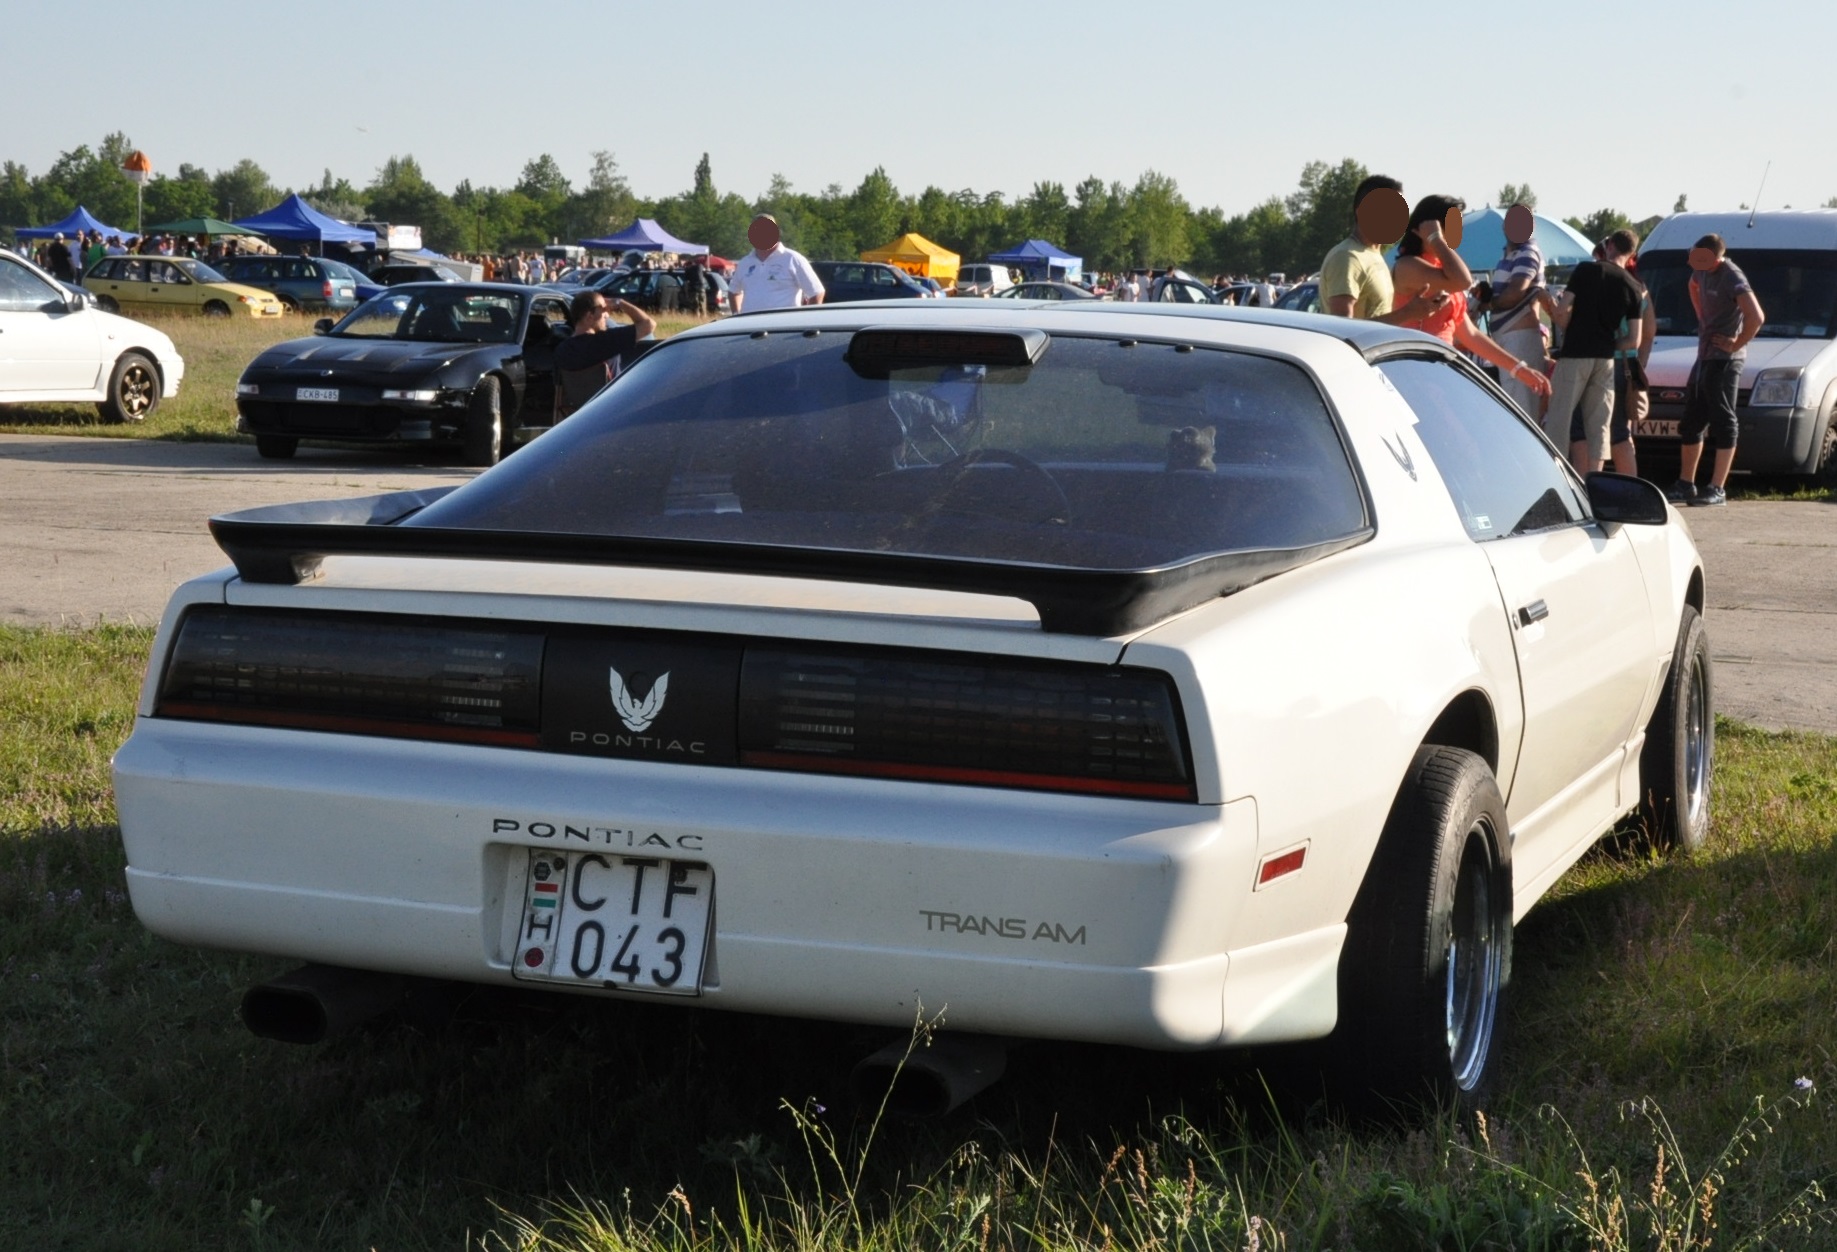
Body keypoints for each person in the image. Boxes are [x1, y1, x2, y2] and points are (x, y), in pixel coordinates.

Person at [1390, 194, 1553, 402]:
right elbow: (1464, 281)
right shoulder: (1408, 266)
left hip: (1438, 372)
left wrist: (1518, 368)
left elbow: (1470, 335)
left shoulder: (1442, 270)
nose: (1458, 233)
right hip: (1416, 374)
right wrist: (1436, 240)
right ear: (1429, 228)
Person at [1670, 234, 1765, 506]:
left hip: (1725, 360)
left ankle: (1717, 488)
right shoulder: (1700, 272)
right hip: (1704, 357)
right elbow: (1692, 285)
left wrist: (1735, 344)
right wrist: (1703, 318)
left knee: (1723, 419)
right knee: (1692, 420)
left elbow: (1756, 317)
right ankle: (1686, 484)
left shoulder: (1731, 275)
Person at [1540, 239, 1644, 473]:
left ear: (1609, 247)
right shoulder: (1633, 286)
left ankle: (1552, 474)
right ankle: (1595, 479)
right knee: (1599, 425)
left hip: (1575, 354)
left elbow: (1562, 311)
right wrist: (1608, 342)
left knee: (1559, 418)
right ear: (1631, 253)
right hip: (1606, 359)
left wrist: (1548, 304)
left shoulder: (1586, 270)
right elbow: (1633, 340)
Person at [1319, 174, 1443, 325]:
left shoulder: (1372, 255)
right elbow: (1342, 328)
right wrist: (1407, 313)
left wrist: (1410, 313)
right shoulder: (1347, 257)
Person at [552, 288, 657, 420]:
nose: (607, 315)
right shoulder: (605, 342)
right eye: (603, 310)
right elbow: (649, 325)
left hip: (578, 419)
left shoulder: (561, 350)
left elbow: (559, 395)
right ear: (589, 316)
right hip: (611, 415)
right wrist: (620, 303)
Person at [1489, 204, 1550, 418]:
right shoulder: (1511, 254)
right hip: (1511, 339)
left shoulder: (1528, 253)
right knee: (1514, 407)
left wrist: (1489, 302)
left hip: (1519, 340)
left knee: (1520, 412)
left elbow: (1516, 292)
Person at [1604, 229, 1654, 477]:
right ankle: (1631, 485)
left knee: (1602, 432)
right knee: (1622, 431)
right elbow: (1650, 330)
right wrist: (1639, 362)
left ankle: (1594, 489)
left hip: (1608, 362)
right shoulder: (1640, 287)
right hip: (1629, 363)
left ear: (1611, 247)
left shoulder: (1607, 281)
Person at [730, 214, 824, 313]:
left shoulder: (793, 259)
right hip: (750, 327)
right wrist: (736, 316)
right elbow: (734, 291)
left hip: (782, 326)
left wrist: (807, 320)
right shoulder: (745, 262)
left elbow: (816, 292)